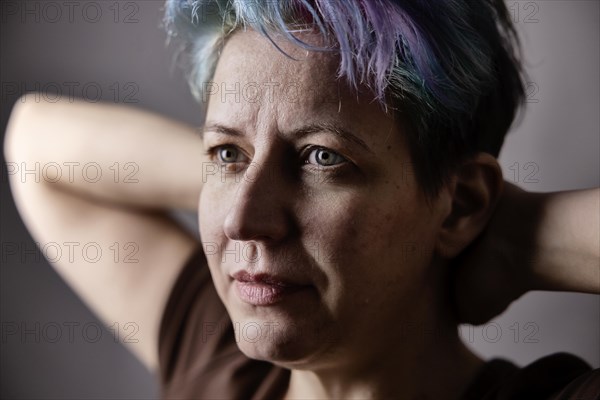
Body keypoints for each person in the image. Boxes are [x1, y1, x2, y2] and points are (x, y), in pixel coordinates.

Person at [4, 0, 599, 399]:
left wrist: (523, 236)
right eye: (227, 154)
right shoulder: (223, 373)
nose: (242, 220)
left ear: (465, 203)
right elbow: (35, 143)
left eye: (322, 158)